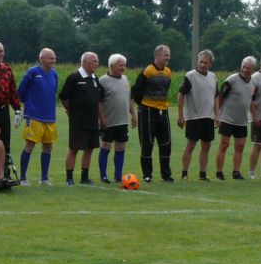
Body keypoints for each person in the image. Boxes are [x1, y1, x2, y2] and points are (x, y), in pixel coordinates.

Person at [59, 51, 105, 185]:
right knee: (74, 149)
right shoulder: (74, 77)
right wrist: (71, 111)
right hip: (78, 122)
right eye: (94, 61)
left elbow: (98, 101)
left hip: (93, 121)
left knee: (89, 149)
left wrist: (102, 118)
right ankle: (69, 178)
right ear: (84, 62)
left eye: (97, 61)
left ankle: (84, 177)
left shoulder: (95, 79)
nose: (97, 63)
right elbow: (64, 97)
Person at [131, 44, 175, 183]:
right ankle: (147, 174)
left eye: (169, 55)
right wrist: (143, 105)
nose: (168, 57)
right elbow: (136, 90)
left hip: (163, 111)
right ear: (157, 55)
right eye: (166, 55)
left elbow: (165, 90)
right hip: (148, 111)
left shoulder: (168, 72)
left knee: (166, 143)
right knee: (147, 143)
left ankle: (166, 174)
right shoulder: (148, 71)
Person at [16, 48, 59, 186]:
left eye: (54, 58)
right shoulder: (32, 73)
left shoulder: (55, 74)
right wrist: (29, 106)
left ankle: (44, 178)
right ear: (42, 59)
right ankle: (23, 178)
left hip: (49, 117)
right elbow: (21, 92)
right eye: (51, 58)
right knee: (29, 146)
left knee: (48, 147)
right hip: (34, 116)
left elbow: (53, 92)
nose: (53, 60)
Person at [177, 49, 217, 181]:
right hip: (194, 117)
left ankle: (202, 174)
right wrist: (181, 115)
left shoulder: (213, 77)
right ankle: (184, 174)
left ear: (210, 63)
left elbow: (216, 96)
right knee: (191, 145)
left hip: (208, 117)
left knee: (206, 146)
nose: (203, 65)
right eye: (201, 62)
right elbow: (181, 94)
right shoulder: (190, 76)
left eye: (205, 62)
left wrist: (217, 115)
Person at [214, 56, 256, 180]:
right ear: (241, 66)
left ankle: (236, 172)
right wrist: (217, 115)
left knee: (240, 147)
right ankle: (219, 172)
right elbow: (220, 97)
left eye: (248, 68)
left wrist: (254, 116)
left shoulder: (253, 83)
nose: (245, 70)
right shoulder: (231, 80)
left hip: (242, 121)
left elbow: (251, 101)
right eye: (244, 67)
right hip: (227, 118)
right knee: (224, 145)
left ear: (253, 69)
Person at [98, 53, 136, 183]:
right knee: (106, 146)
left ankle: (118, 177)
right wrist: (102, 118)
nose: (123, 67)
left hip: (123, 121)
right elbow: (99, 102)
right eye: (120, 65)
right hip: (109, 121)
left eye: (124, 65)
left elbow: (129, 99)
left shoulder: (125, 79)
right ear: (112, 66)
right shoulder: (103, 80)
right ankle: (103, 176)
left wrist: (133, 115)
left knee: (120, 148)